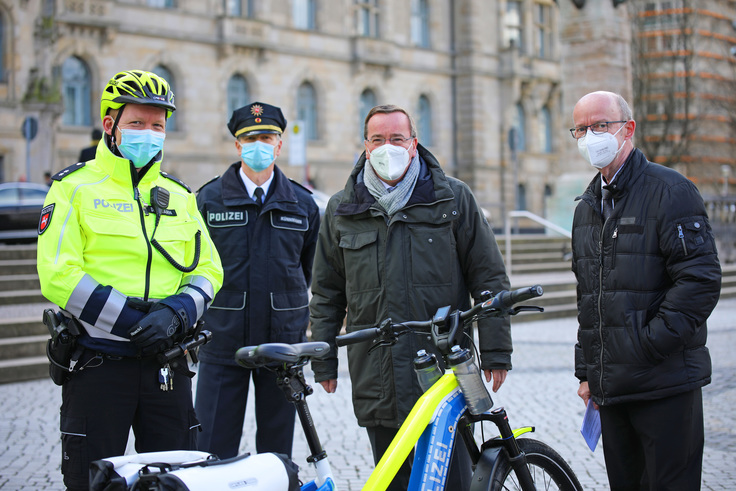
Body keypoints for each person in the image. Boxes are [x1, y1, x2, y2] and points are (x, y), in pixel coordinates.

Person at [36, 69, 223, 491]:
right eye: (137, 123)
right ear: (111, 125)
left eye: (157, 126)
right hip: (99, 365)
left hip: (167, 367)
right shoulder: (73, 188)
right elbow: (57, 273)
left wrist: (175, 314)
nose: (149, 133)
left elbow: (210, 269)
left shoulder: (179, 195)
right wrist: (133, 324)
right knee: (92, 482)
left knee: (179, 481)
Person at [309, 104, 511, 490]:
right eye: (378, 139)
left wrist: (498, 350)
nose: (389, 147)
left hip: (443, 369)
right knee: (394, 481)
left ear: (414, 143)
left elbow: (488, 277)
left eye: (397, 139)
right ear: (366, 147)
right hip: (376, 374)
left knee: (452, 480)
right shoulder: (342, 209)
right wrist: (324, 362)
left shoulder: (452, 198)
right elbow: (327, 292)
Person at [570, 91, 722, 490]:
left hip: (664, 383)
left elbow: (700, 280)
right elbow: (590, 296)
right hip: (613, 389)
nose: (591, 136)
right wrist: (588, 370)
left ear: (628, 129)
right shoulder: (586, 207)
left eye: (600, 125)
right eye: (581, 129)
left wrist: (647, 344)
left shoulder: (670, 190)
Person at [195, 102, 320, 459]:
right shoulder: (208, 200)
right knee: (211, 447)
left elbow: (308, 270)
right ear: (237, 145)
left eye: (266, 137)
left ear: (279, 144)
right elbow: (196, 269)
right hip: (223, 341)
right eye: (249, 137)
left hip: (283, 343)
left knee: (277, 450)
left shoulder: (302, 203)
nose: (258, 144)